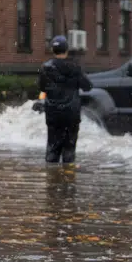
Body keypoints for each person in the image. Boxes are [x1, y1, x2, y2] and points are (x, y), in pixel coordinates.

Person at [37, 35, 92, 165]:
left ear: (53, 50)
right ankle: (68, 180)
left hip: (53, 114)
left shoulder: (45, 68)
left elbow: (42, 87)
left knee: (52, 148)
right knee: (69, 149)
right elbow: (88, 87)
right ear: (66, 49)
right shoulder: (75, 67)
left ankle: (52, 179)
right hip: (71, 114)